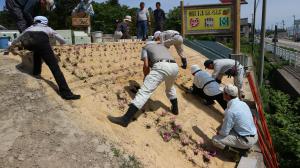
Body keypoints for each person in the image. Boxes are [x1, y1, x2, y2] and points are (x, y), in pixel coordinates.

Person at [108, 41, 179, 127]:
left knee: (144, 92)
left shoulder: (145, 48)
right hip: (174, 67)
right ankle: (175, 109)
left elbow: (146, 65)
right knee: (170, 88)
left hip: (161, 66)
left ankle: (125, 120)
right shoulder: (161, 47)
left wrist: (146, 76)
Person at [10, 16, 80, 100]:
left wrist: (12, 45)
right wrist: (63, 42)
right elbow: (62, 40)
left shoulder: (30, 28)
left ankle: (36, 72)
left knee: (37, 52)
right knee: (54, 67)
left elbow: (19, 38)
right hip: (42, 42)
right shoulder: (47, 28)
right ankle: (66, 93)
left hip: (29, 44)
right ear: (45, 22)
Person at [212, 84, 257, 153]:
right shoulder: (243, 104)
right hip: (254, 135)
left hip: (245, 140)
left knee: (215, 140)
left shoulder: (231, 111)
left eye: (223, 93)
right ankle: (241, 147)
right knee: (222, 126)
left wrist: (219, 132)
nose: (222, 94)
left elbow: (224, 133)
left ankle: (238, 152)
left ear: (228, 96)